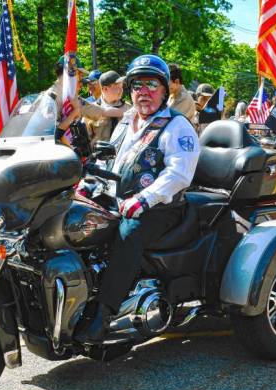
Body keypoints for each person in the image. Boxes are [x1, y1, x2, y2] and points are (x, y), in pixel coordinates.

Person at [74, 54, 200, 343]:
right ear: (130, 89)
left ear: (165, 90)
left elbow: (179, 174)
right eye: (138, 85)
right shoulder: (128, 119)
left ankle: (104, 313)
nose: (144, 91)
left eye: (152, 85)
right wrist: (89, 184)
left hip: (161, 207)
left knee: (128, 231)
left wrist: (144, 199)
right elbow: (112, 160)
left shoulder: (176, 125)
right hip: (120, 198)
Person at [48, 56, 125, 143]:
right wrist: (74, 112)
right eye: (79, 77)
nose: (81, 83)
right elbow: (47, 136)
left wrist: (133, 111)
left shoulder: (76, 101)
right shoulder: (49, 99)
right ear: (69, 74)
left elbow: (104, 111)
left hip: (69, 153)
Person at [84, 70, 131, 146]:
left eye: (121, 86)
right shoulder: (92, 110)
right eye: (117, 87)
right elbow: (85, 140)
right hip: (99, 156)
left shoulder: (129, 108)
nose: (121, 90)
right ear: (105, 89)